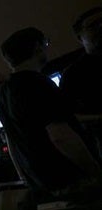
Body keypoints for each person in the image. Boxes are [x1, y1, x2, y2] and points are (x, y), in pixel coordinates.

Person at [0, 27, 101, 199]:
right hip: (70, 181)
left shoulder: (1, 93)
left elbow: (12, 140)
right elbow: (60, 135)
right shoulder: (38, 84)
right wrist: (94, 170)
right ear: (37, 47)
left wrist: (24, 177)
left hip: (42, 187)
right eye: (46, 44)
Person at [60, 7, 102, 158]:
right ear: (80, 37)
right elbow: (67, 116)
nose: (101, 27)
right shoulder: (73, 74)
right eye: (93, 25)